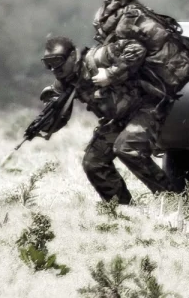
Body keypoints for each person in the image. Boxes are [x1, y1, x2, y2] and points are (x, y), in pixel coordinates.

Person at [40, 35, 176, 204]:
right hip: (120, 119)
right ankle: (123, 209)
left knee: (126, 148)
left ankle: (170, 200)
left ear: (73, 56)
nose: (54, 69)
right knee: (93, 162)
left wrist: (111, 74)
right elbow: (61, 116)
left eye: (57, 61)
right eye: (48, 64)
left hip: (147, 108)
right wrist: (47, 121)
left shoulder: (98, 57)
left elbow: (137, 48)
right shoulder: (66, 82)